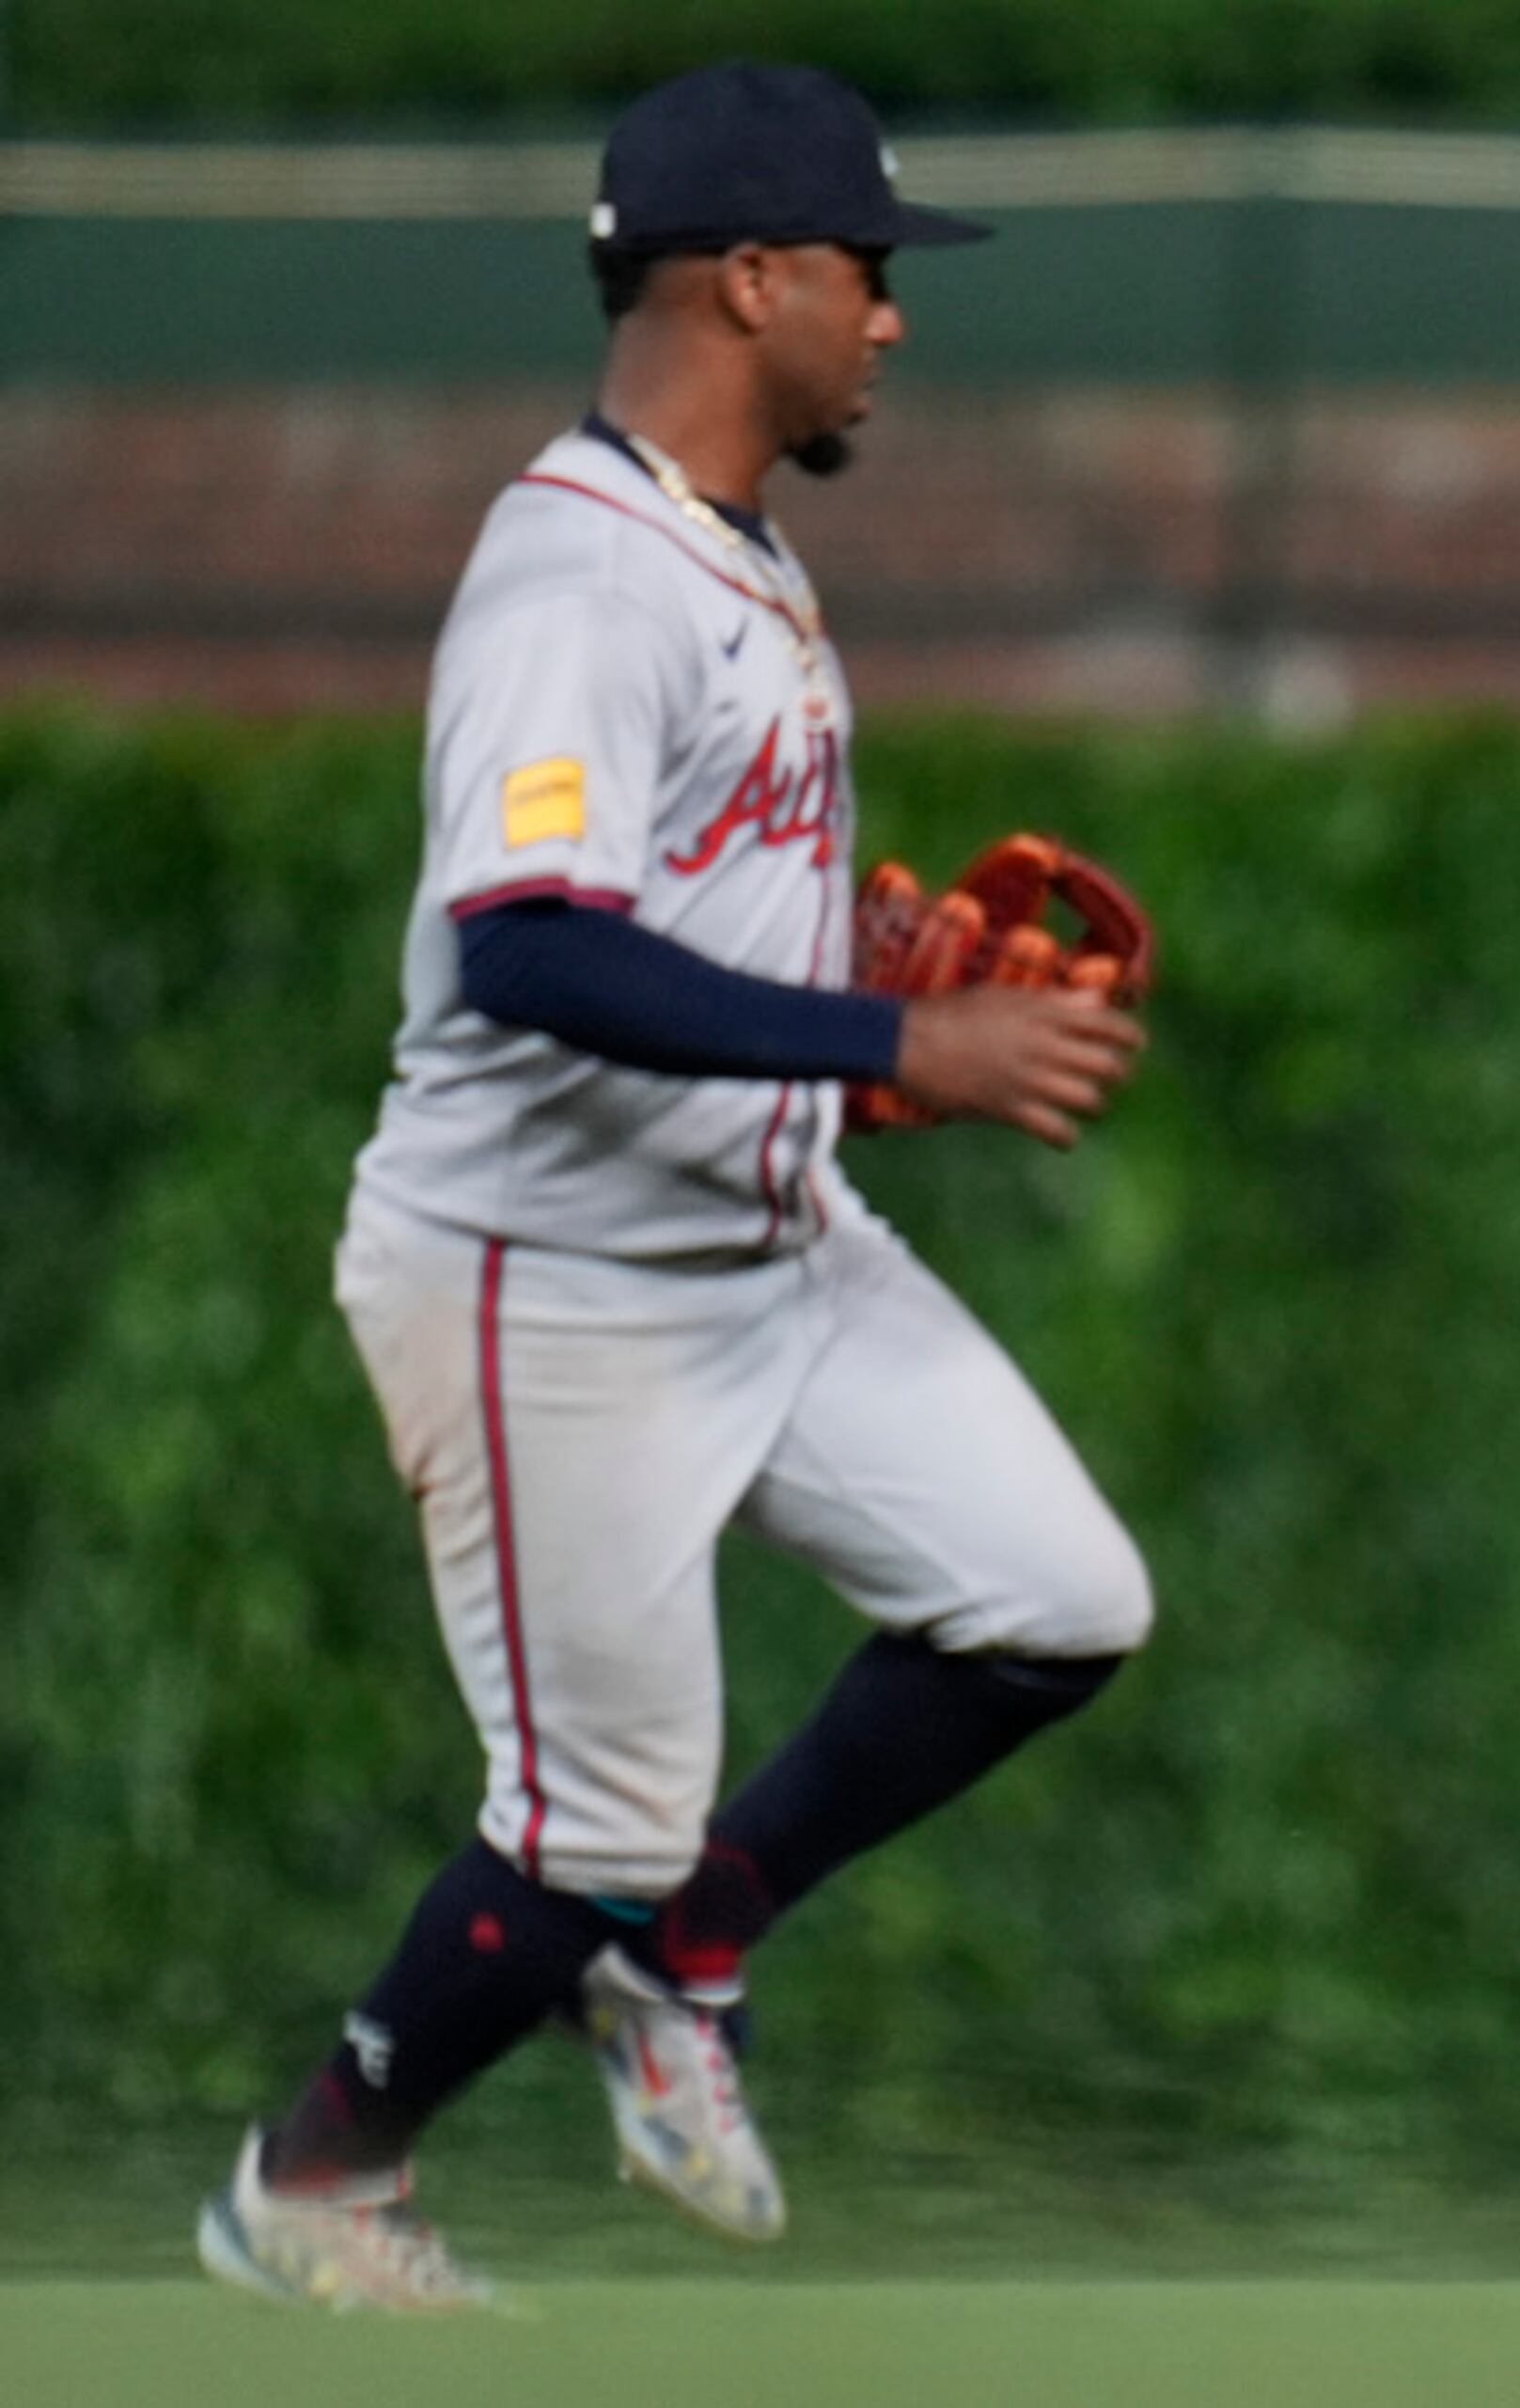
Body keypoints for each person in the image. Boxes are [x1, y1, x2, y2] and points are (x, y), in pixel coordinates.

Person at [197, 63, 1154, 2311]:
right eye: (872, 271)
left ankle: (679, 1967)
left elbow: (661, 915)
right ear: (752, 280)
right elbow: (528, 947)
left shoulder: (736, 547)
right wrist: (899, 1032)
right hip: (552, 1279)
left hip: (768, 1243)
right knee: (591, 1822)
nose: (893, 320)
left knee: (1055, 1598)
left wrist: (841, 1002)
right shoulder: (576, 574)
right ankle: (320, 2179)